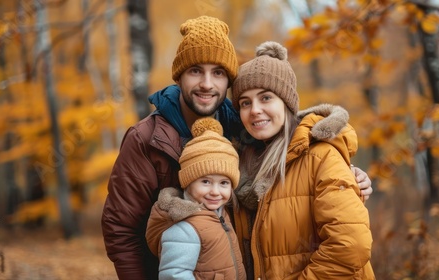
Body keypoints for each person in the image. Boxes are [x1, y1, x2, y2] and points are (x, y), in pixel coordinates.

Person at [101, 15, 373, 280]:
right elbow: (121, 230)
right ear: (179, 76)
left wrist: (349, 177)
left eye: (218, 73)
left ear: (228, 81)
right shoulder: (146, 138)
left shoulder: (242, 132)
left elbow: (301, 166)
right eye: (195, 70)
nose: (207, 84)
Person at [231, 41, 375, 279]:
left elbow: (350, 246)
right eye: (245, 103)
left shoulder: (322, 157)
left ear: (286, 103)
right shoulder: (244, 167)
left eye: (265, 98)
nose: (254, 109)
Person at [145, 117, 246, 280]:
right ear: (187, 182)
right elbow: (174, 275)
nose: (215, 191)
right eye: (205, 181)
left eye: (224, 183)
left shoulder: (220, 214)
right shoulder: (183, 228)